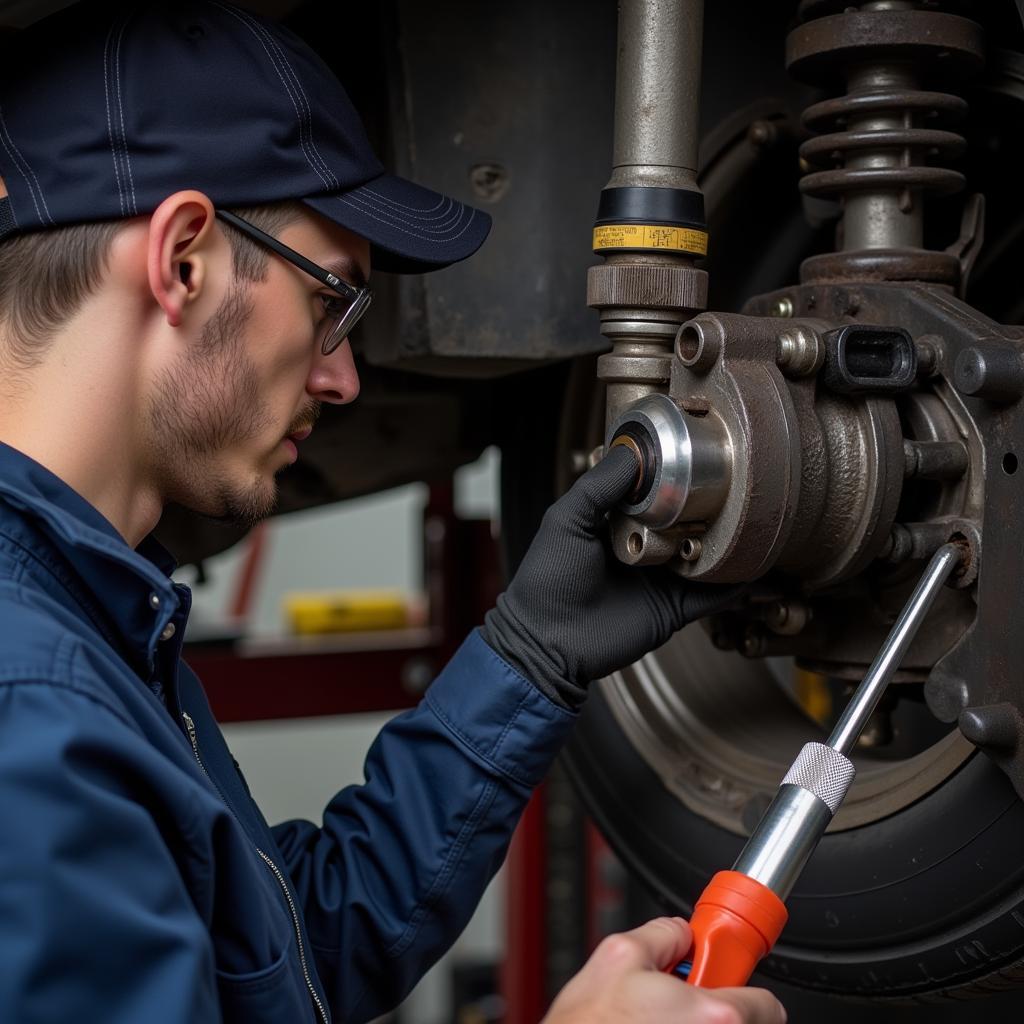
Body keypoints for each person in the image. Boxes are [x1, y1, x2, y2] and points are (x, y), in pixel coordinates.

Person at [0, 3, 785, 1023]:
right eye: (335, 301)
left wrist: (527, 654)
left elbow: (285, 960)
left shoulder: (83, 622)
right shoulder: (28, 708)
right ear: (183, 258)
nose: (342, 379)